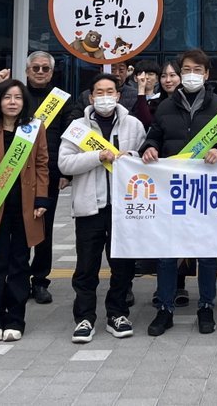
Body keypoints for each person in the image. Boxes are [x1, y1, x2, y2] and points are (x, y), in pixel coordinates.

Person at [141, 49, 217, 336]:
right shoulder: (165, 107)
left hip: (207, 191)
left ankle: (206, 307)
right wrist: (149, 148)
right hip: (173, 192)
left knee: (207, 254)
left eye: (197, 70)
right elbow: (154, 137)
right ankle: (165, 308)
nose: (191, 75)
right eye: (186, 69)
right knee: (167, 254)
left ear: (207, 74)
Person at [59, 72, 147, 344]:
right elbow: (64, 163)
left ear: (118, 95)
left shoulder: (133, 125)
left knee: (122, 265)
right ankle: (84, 318)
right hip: (90, 207)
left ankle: (117, 314)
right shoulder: (77, 128)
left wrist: (131, 157)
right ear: (91, 97)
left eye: (110, 92)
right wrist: (97, 156)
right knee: (86, 266)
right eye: (100, 92)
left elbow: (146, 159)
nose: (105, 97)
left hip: (123, 209)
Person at [0, 80, 50, 342]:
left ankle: (15, 319)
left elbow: (42, 164)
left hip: (26, 207)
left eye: (18, 97)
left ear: (24, 102)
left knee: (20, 264)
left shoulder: (34, 128)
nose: (13, 102)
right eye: (7, 97)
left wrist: (41, 199)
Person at [0, 51, 68, 306]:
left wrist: (64, 172)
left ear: (52, 73)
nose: (40, 72)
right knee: (11, 231)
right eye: (36, 68)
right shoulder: (16, 95)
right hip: (10, 175)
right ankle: (13, 278)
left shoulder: (61, 100)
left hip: (46, 175)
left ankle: (40, 280)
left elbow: (68, 137)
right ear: (27, 71)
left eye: (45, 68)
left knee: (43, 230)